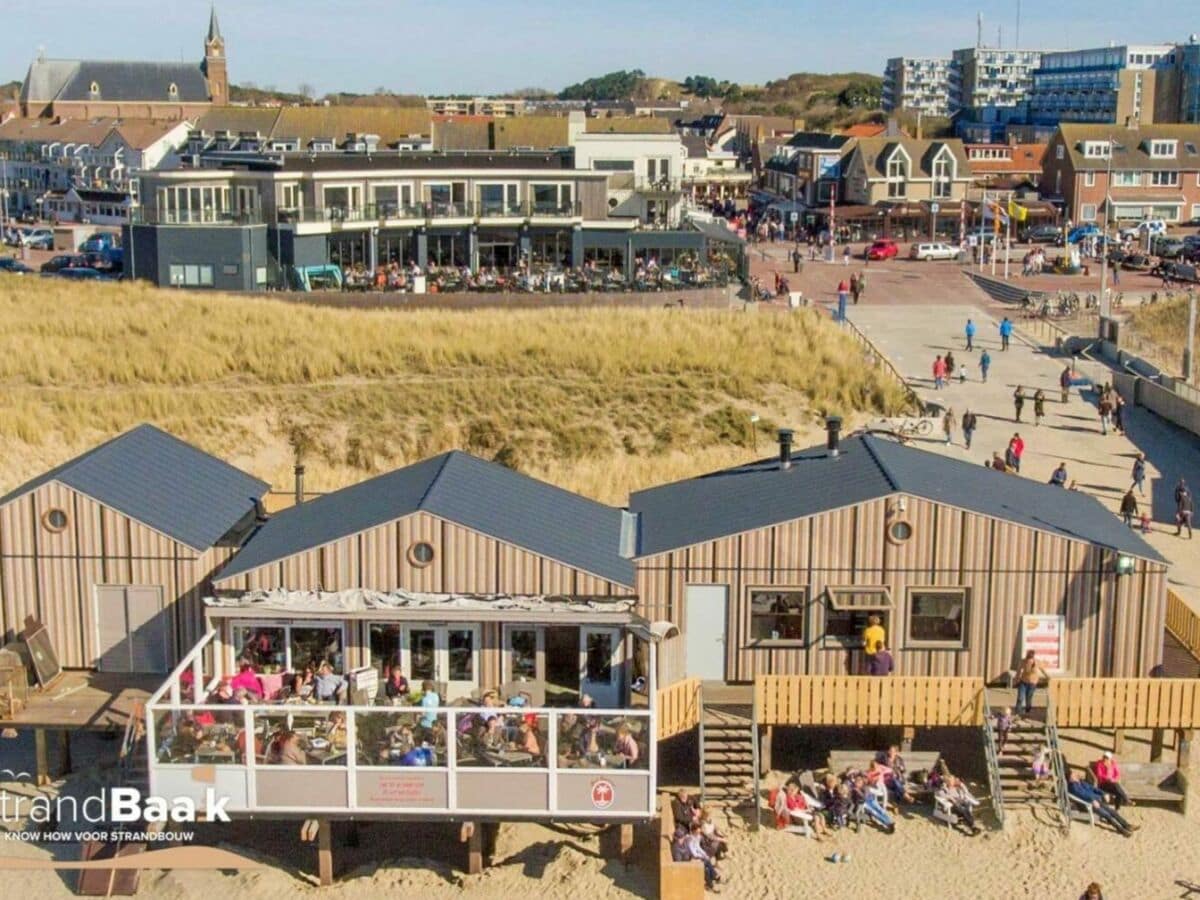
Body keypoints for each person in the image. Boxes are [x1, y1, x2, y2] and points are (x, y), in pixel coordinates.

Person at [1067, 770, 1137, 836]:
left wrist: (1104, 793)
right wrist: (1092, 800)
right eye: (1073, 775)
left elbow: (1093, 788)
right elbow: (1082, 795)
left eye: (1075, 774)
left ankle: (1127, 825)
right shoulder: (1073, 787)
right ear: (1070, 778)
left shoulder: (1081, 782)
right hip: (1089, 804)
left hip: (1096, 800)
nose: (1076, 775)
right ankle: (1121, 830)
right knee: (1106, 814)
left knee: (1113, 812)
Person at [684, 822, 721, 890]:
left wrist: (704, 854)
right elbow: (692, 851)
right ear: (693, 831)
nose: (698, 833)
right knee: (706, 865)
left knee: (707, 861)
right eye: (697, 832)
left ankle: (714, 876)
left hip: (697, 855)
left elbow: (698, 847)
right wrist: (700, 856)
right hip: (692, 857)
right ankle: (711, 881)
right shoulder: (690, 839)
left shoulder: (697, 836)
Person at [1015, 650, 1046, 716]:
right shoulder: (1023, 661)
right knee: (1020, 698)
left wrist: (1048, 677)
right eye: (1028, 655)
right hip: (1023, 682)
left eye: (1031, 656)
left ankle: (1027, 712)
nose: (1029, 658)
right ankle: (1017, 713)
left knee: (1028, 698)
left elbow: (1043, 670)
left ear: (1033, 656)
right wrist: (1016, 679)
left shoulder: (1037, 662)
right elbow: (1019, 671)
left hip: (1032, 683)